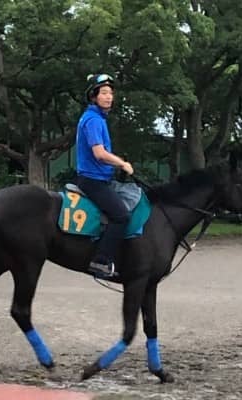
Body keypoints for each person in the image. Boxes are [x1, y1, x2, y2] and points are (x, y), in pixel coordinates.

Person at [75, 73, 134, 278]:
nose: (109, 97)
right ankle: (100, 261)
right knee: (121, 216)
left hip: (99, 179)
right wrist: (122, 163)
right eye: (104, 93)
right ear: (94, 96)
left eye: (111, 93)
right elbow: (99, 154)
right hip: (93, 181)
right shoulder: (93, 120)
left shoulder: (98, 118)